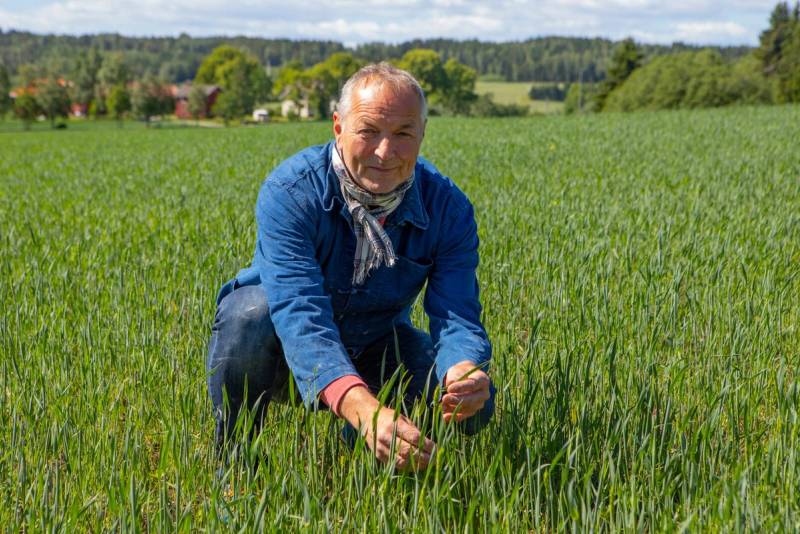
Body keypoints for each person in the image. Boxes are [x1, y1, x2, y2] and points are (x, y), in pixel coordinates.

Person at [206, 62, 495, 471]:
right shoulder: (291, 192)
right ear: (338, 127)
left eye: (403, 135)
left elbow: (457, 315)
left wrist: (463, 369)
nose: (384, 151)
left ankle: (367, 456)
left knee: (474, 407)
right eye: (368, 131)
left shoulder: (448, 208)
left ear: (422, 134)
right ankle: (236, 464)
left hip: (376, 341)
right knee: (247, 314)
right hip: (282, 349)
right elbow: (299, 312)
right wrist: (360, 405)